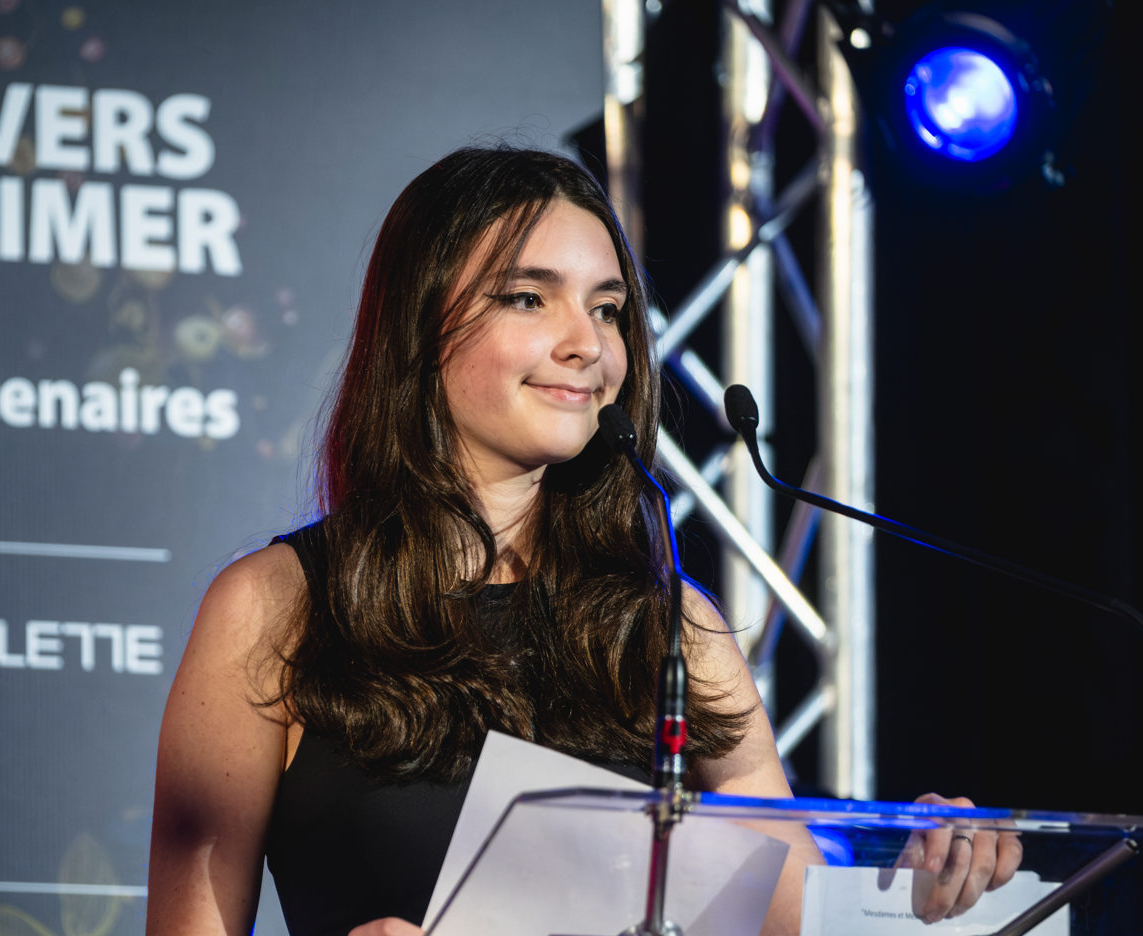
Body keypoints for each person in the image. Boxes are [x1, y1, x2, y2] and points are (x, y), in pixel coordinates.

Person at [147, 146, 1019, 936]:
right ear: (419, 328)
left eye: (608, 310)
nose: (588, 346)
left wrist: (915, 891)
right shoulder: (274, 609)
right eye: (529, 298)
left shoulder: (672, 624)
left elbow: (789, 918)